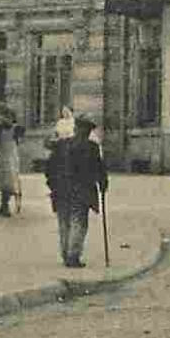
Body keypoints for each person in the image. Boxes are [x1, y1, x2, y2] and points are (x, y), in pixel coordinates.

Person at [45, 115, 108, 268]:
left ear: (75, 129)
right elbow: (99, 169)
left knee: (64, 222)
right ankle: (73, 256)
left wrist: (52, 184)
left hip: (61, 190)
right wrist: (103, 184)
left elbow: (49, 167)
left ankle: (66, 253)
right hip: (82, 191)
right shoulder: (92, 148)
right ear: (86, 131)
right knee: (78, 222)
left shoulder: (62, 145)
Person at [0, 108, 23, 216]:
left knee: (10, 182)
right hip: (2, 156)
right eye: (5, 117)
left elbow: (21, 134)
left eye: (9, 118)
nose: (6, 120)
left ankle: (5, 205)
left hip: (11, 157)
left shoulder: (16, 129)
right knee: (4, 182)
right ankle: (4, 205)